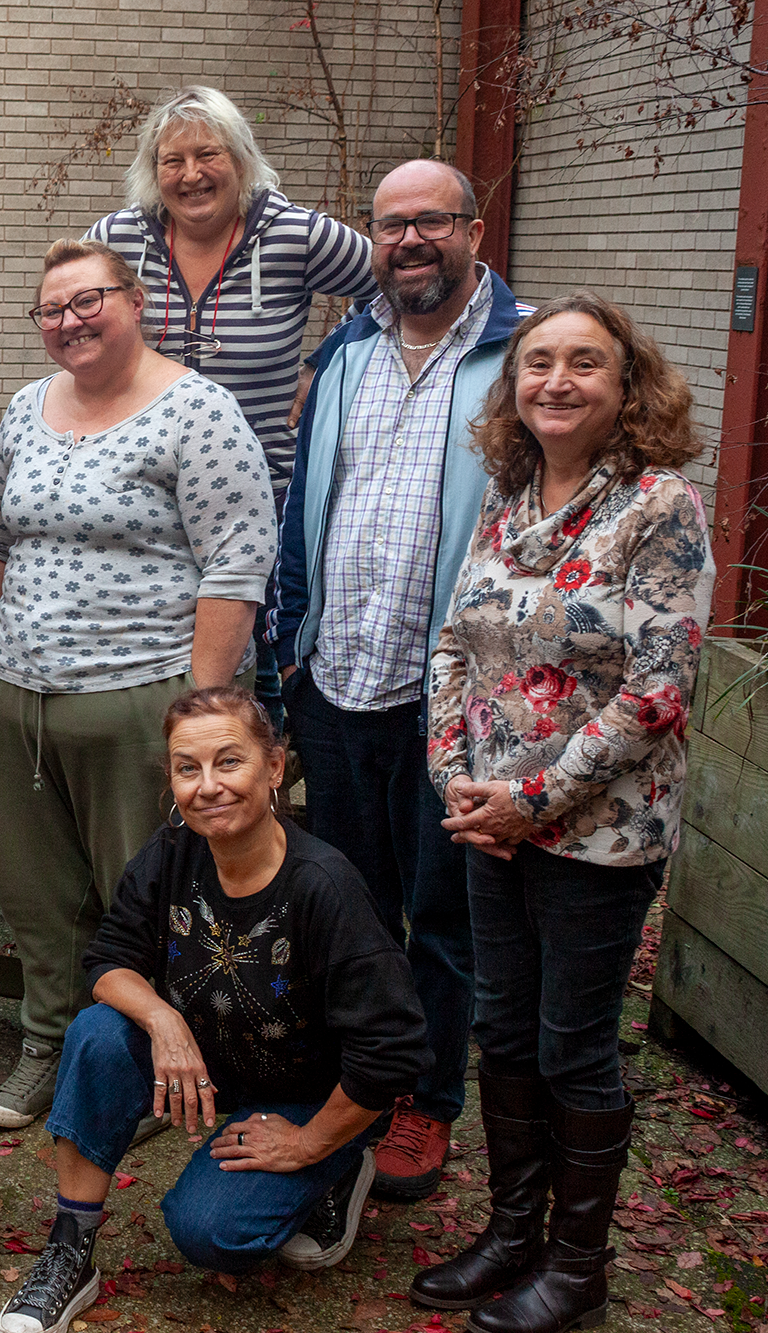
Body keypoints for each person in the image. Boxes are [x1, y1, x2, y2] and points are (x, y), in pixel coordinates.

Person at [414, 293, 712, 1333]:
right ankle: (511, 1233)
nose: (554, 380)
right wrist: (453, 773)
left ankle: (575, 1267)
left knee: (568, 1041)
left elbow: (656, 689)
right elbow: (453, 643)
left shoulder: (657, 505)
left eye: (582, 363)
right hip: (484, 816)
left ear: (626, 386)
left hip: (594, 831)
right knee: (497, 1027)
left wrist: (530, 800)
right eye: (536, 361)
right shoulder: (505, 493)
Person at [0, 688, 428, 1333]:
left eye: (230, 762)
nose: (207, 787)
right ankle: (71, 1249)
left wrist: (309, 1142)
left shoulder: (325, 887)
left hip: (310, 1093)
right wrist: (164, 1022)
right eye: (187, 767)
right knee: (98, 1033)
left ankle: (341, 1165)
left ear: (275, 768)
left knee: (212, 1234)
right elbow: (109, 958)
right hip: (212, 1064)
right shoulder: (176, 851)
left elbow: (393, 1049)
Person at [0, 238, 276, 1130]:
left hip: (142, 695)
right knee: (36, 889)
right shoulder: (29, 407)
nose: (70, 321)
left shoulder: (198, 412)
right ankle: (47, 1047)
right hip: (18, 698)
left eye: (88, 300)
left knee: (147, 890)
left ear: (136, 302)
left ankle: (154, 1063)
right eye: (52, 310)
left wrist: (198, 710)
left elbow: (238, 560)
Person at [271, 159, 529, 1201]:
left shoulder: (522, 356)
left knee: (446, 906)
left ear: (471, 228)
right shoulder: (344, 351)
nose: (409, 241)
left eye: (431, 221)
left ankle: (426, 1098)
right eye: (389, 226)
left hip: (455, 698)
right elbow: (306, 507)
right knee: (354, 898)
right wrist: (287, 645)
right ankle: (361, 1076)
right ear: (368, 241)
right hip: (337, 676)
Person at [86, 85, 380, 728]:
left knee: (251, 667)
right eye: (172, 160)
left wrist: (324, 365)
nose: (191, 175)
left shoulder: (293, 234)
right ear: (152, 170)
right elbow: (81, 321)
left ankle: (246, 792)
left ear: (240, 159)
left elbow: (394, 285)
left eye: (207, 154)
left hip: (262, 496)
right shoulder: (118, 239)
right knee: (147, 650)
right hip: (140, 489)